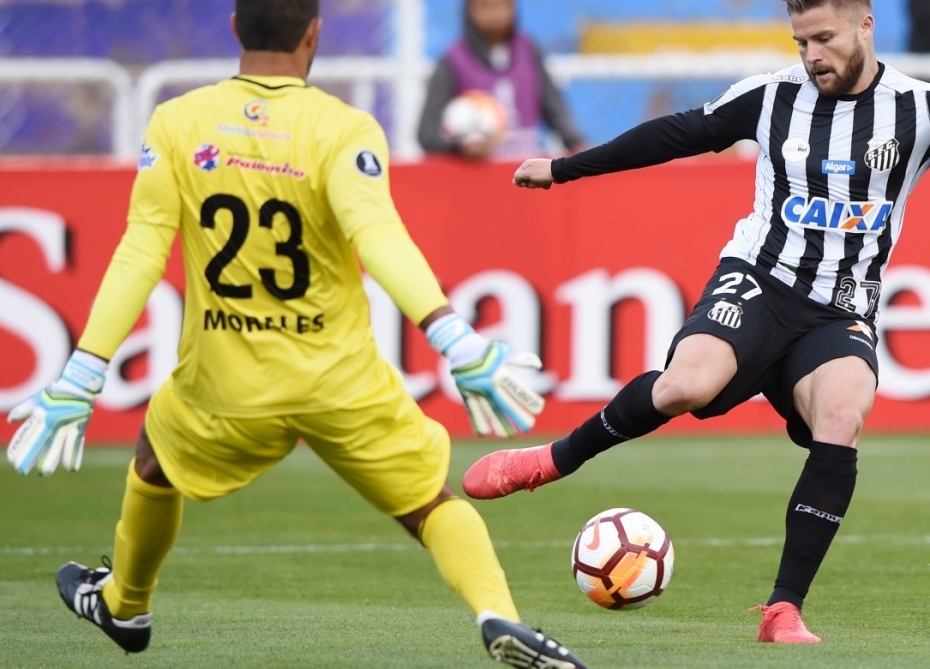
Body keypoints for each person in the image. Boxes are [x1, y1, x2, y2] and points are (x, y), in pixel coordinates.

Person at [462, 0, 930, 645]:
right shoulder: (770, 98)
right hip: (759, 282)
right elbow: (676, 134)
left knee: (843, 412)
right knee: (685, 385)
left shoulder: (920, 110)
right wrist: (565, 168)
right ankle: (551, 459)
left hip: (840, 308)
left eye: (823, 38)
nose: (811, 54)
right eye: (800, 41)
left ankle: (783, 608)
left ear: (864, 24)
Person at [4, 2, 586, 667]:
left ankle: (125, 603)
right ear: (313, 33)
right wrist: (456, 339)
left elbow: (141, 252)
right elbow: (379, 237)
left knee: (154, 460)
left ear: (234, 28)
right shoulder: (343, 128)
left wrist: (82, 372)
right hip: (339, 381)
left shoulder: (177, 121)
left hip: (226, 384)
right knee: (430, 504)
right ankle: (497, 614)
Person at [417, 0, 584, 161]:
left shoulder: (529, 50)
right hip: (477, 174)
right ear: (469, 10)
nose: (496, 15)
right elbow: (426, 134)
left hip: (526, 169)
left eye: (503, 5)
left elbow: (553, 106)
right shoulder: (453, 61)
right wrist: (460, 147)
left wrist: (574, 141)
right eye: (485, 7)